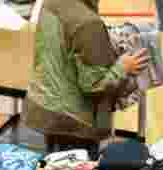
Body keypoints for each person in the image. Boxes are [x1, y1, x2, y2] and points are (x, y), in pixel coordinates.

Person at [25, 0, 149, 152]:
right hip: (74, 121)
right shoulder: (88, 23)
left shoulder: (51, 3)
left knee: (54, 169)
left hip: (47, 106)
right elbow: (94, 85)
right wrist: (123, 67)